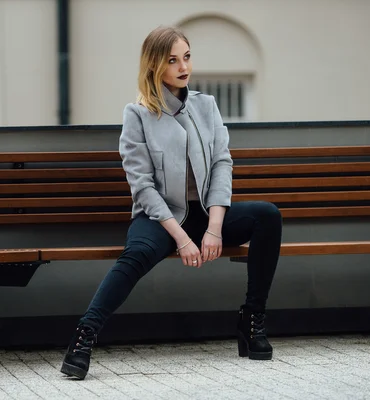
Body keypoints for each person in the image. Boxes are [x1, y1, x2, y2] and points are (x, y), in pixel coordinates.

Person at [61, 26, 282, 380]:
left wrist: (213, 227)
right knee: (135, 255)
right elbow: (142, 185)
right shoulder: (138, 114)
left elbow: (223, 163)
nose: (183, 67)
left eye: (187, 57)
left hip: (207, 214)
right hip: (160, 217)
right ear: (154, 66)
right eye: (173, 60)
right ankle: (83, 337)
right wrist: (180, 238)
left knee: (267, 216)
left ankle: (252, 321)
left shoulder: (206, 106)